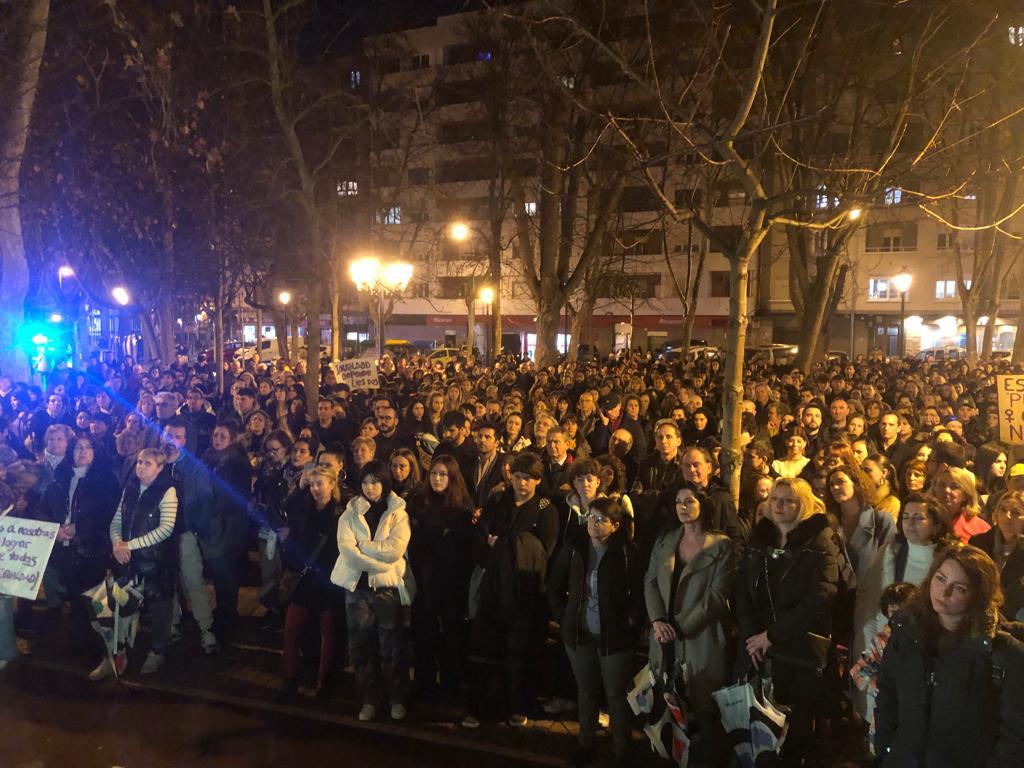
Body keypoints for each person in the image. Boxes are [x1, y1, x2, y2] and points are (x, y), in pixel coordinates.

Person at [874, 546, 1024, 767]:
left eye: (959, 588)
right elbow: (887, 693)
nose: (943, 593)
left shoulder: (1002, 653)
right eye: (940, 579)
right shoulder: (906, 631)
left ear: (978, 595)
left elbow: (1014, 734)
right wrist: (885, 749)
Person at [735, 477, 840, 766]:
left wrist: (772, 635)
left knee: (795, 730)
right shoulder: (761, 538)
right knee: (760, 728)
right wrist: (752, 637)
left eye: (788, 500)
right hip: (760, 647)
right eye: (775, 499)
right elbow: (743, 589)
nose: (779, 505)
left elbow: (820, 597)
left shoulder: (819, 542)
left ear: (802, 504)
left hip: (798, 652)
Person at [465, 452, 558, 728]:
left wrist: (504, 545)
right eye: (517, 477)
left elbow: (544, 551)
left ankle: (518, 705)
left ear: (537, 481)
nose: (521, 484)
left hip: (524, 589)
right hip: (494, 585)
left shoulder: (545, 509)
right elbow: (483, 534)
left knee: (520, 651)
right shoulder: (499, 501)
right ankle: (480, 706)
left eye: (527, 479)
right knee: (487, 646)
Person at [646, 481, 736, 766]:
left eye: (689, 501)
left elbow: (716, 597)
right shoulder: (666, 540)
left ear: (702, 504)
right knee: (668, 705)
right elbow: (649, 582)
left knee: (704, 710)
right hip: (664, 638)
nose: (683, 507)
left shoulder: (721, 545)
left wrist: (678, 627)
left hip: (700, 639)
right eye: (678, 502)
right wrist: (658, 621)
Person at [548, 497, 642, 767]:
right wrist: (563, 614)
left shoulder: (626, 552)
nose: (594, 524)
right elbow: (555, 583)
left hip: (615, 635)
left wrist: (631, 622)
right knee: (586, 690)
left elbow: (638, 592)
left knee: (615, 693)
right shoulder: (575, 548)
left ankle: (621, 747)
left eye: (601, 519)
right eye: (591, 517)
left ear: (615, 525)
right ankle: (586, 742)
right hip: (580, 633)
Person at [852, 493, 954, 721]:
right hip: (888, 643)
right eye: (906, 517)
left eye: (919, 518)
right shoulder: (891, 551)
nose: (910, 523)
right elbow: (869, 605)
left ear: (936, 523)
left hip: (927, 648)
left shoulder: (949, 558)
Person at [331, 460, 412, 722]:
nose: (370, 487)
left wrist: (364, 547)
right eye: (365, 482)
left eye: (375, 481)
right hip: (358, 588)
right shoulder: (351, 512)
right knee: (361, 646)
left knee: (391, 647)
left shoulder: (398, 512)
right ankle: (369, 699)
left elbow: (395, 550)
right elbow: (348, 552)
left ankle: (396, 698)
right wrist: (376, 556)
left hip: (386, 588)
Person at [95, 448, 179, 679]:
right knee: (117, 609)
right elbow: (117, 520)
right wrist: (117, 544)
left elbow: (166, 529)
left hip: (155, 563)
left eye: (148, 463)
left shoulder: (167, 490)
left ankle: (159, 650)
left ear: (160, 467)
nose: (140, 466)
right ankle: (114, 655)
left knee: (159, 608)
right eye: (140, 461)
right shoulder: (130, 488)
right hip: (128, 561)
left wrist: (129, 545)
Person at [38, 435, 120, 642]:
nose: (82, 452)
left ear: (95, 452)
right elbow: (43, 507)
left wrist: (79, 528)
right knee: (75, 596)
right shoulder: (60, 477)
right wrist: (54, 529)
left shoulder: (106, 479)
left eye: (88, 447)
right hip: (64, 548)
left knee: (94, 597)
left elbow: (109, 512)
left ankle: (102, 642)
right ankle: (80, 638)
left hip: (92, 548)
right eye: (78, 448)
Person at [407, 454, 475, 697]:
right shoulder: (419, 502)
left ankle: (450, 681)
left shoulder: (462, 505)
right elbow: (414, 541)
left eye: (443, 474)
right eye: (434, 473)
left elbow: (464, 545)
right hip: (425, 576)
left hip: (452, 578)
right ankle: (424, 681)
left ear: (452, 476)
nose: (437, 478)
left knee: (451, 632)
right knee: (425, 630)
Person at [275, 466, 345, 701]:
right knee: (291, 630)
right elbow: (292, 535)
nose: (315, 489)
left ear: (332, 484)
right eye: (312, 484)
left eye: (320, 483)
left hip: (328, 579)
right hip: (304, 578)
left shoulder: (340, 513)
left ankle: (323, 680)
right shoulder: (302, 509)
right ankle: (291, 677)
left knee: (328, 632)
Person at [201, 421, 252, 640]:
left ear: (231, 439)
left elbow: (237, 494)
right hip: (212, 522)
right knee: (217, 568)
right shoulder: (207, 458)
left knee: (225, 568)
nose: (218, 439)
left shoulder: (238, 463)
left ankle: (228, 612)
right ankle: (223, 607)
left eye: (222, 436)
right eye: (215, 435)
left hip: (230, 522)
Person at [972, 490, 1024, 621]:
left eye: (1016, 512)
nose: (1007, 516)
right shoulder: (978, 542)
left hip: (1011, 617)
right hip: (976, 610)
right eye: (1002, 509)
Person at [930, 464, 990, 542]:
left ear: (965, 495)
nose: (946, 490)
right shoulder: (922, 520)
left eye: (954, 487)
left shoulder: (981, 529)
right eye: (941, 485)